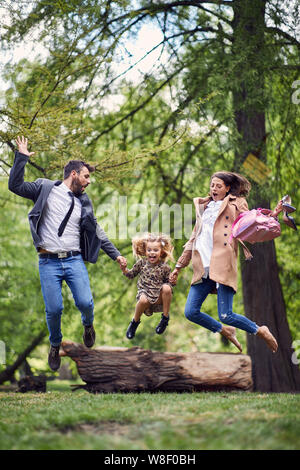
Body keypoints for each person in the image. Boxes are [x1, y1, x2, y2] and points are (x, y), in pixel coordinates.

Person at [8, 136, 127, 371]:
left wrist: (117, 255)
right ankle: (54, 345)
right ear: (73, 174)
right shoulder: (44, 188)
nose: (88, 181)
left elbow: (97, 231)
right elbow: (15, 185)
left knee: (85, 302)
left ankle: (88, 324)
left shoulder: (84, 202)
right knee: (54, 309)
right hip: (48, 261)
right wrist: (21, 157)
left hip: (73, 260)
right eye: (86, 176)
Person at [169, 171, 278, 353]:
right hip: (202, 267)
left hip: (222, 264)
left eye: (219, 186)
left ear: (227, 188)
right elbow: (193, 238)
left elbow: (252, 221)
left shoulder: (236, 203)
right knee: (190, 312)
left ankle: (260, 330)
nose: (214, 189)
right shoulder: (205, 207)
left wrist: (272, 215)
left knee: (226, 315)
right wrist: (178, 267)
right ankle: (224, 330)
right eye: (212, 185)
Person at [121, 233, 175, 339]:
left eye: (155, 250)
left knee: (167, 288)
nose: (152, 253)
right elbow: (131, 274)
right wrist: (124, 269)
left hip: (158, 296)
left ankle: (165, 318)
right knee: (143, 301)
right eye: (149, 250)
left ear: (161, 251)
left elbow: (169, 283)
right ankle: (134, 322)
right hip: (145, 294)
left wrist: (173, 281)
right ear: (145, 251)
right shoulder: (141, 263)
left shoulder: (165, 267)